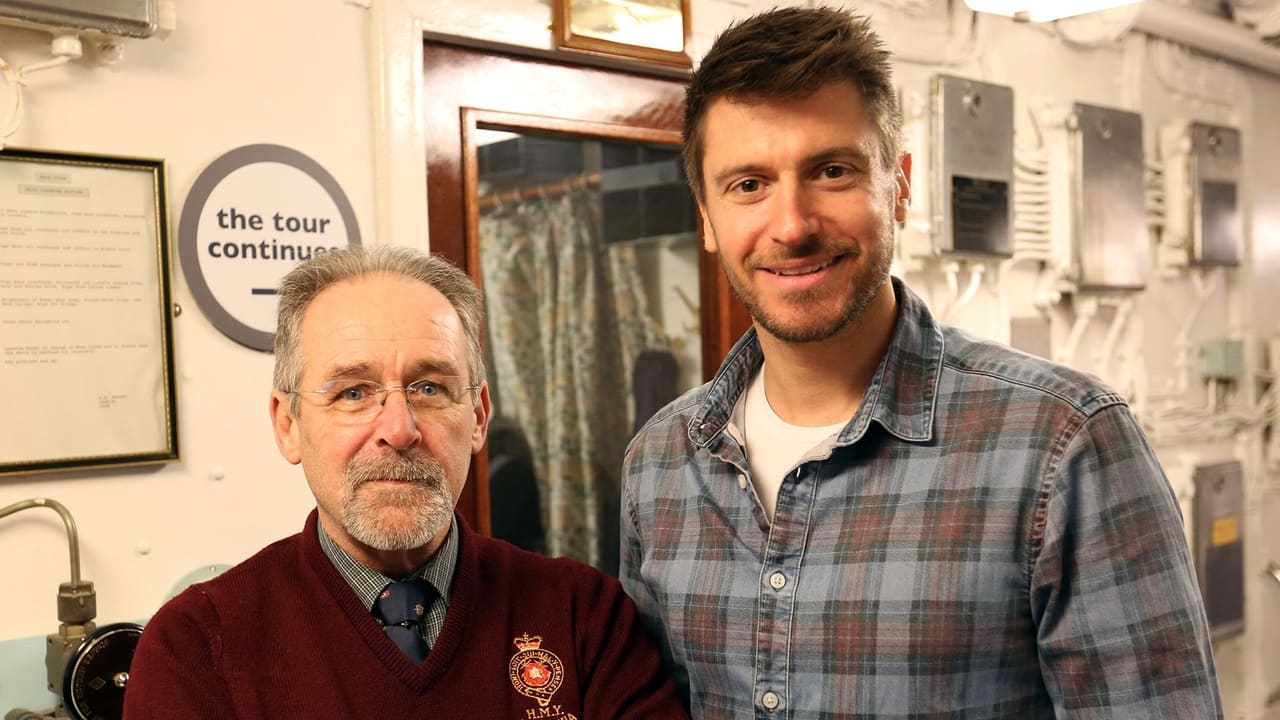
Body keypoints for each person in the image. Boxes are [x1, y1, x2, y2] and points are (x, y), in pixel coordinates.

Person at [619, 7, 1223, 719]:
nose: (791, 224)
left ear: (899, 187)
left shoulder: (1063, 445)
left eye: (832, 171)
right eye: (748, 184)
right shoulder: (660, 463)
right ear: (708, 219)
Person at [125, 246, 686, 718]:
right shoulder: (197, 646)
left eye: (429, 388)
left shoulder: (584, 617)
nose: (398, 428)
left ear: (479, 417)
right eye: (352, 392)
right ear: (288, 424)